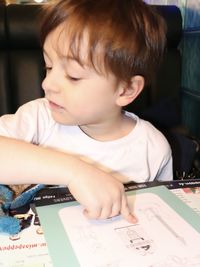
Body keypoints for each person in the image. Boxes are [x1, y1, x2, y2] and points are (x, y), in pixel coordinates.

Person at [0, 0, 172, 222]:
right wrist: (75, 172)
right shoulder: (39, 118)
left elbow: (163, 212)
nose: (47, 84)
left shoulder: (153, 148)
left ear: (126, 89)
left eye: (73, 76)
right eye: (48, 67)